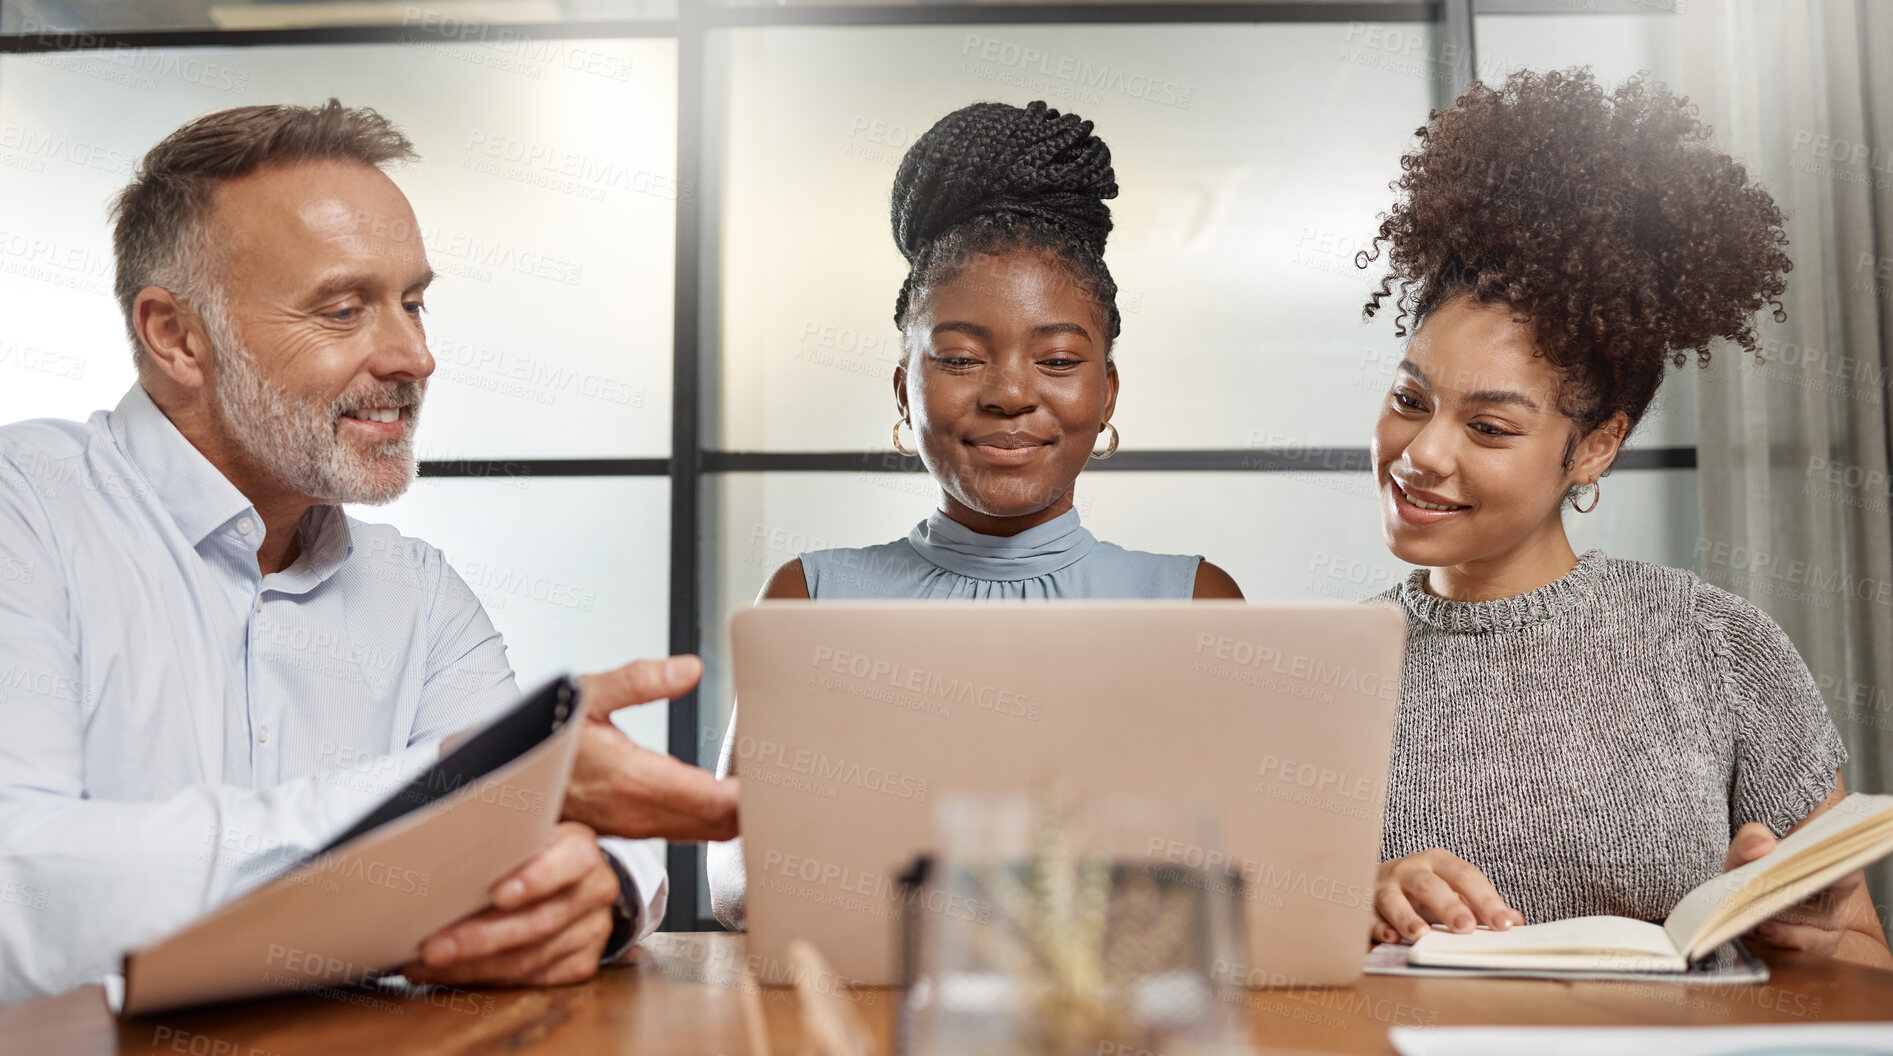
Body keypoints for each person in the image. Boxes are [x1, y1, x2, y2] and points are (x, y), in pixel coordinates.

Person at [0, 101, 733, 1004]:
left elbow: (555, 814)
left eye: (414, 302)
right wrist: (454, 786)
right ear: (175, 336)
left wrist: (601, 888)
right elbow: (20, 886)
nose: (416, 356)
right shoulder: (23, 510)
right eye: (345, 310)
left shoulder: (418, 592)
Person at [1356, 69, 1892, 966]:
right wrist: (1347, 898)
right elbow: (1246, 966)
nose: (1422, 453)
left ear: (1596, 446)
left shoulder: (1721, 649)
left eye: (1488, 426)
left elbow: (1865, 972)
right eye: (1410, 398)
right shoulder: (1324, 670)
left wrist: (1821, 943)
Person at [706, 100, 1244, 929]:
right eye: (958, 358)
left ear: (1105, 394)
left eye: (1059, 360)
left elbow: (1242, 874)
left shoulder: (1194, 601)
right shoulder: (811, 598)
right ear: (903, 390)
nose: (1009, 394)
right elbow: (741, 885)